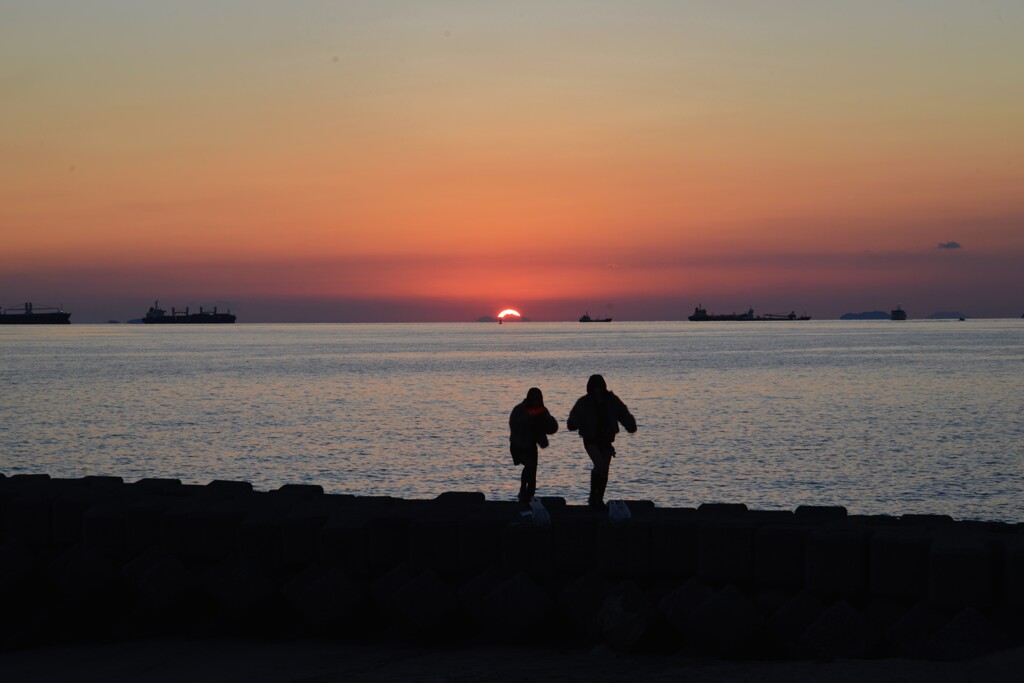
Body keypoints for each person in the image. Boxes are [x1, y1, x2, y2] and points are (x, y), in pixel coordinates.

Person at [567, 374, 637, 509]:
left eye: (599, 387)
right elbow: (573, 418)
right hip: (590, 439)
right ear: (590, 389)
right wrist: (574, 422)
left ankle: (599, 499)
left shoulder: (612, 400)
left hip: (606, 439)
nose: (597, 390)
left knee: (605, 469)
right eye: (594, 388)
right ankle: (593, 496)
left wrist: (630, 425)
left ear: (604, 387)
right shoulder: (584, 402)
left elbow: (623, 414)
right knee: (599, 465)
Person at [509, 387, 559, 503]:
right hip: (517, 445)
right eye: (534, 398)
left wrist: (547, 420)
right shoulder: (519, 409)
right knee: (530, 465)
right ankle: (522, 491)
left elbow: (552, 428)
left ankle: (528, 496)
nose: (536, 401)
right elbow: (514, 426)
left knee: (532, 472)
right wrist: (528, 417)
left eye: (538, 399)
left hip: (531, 446)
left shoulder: (542, 411)